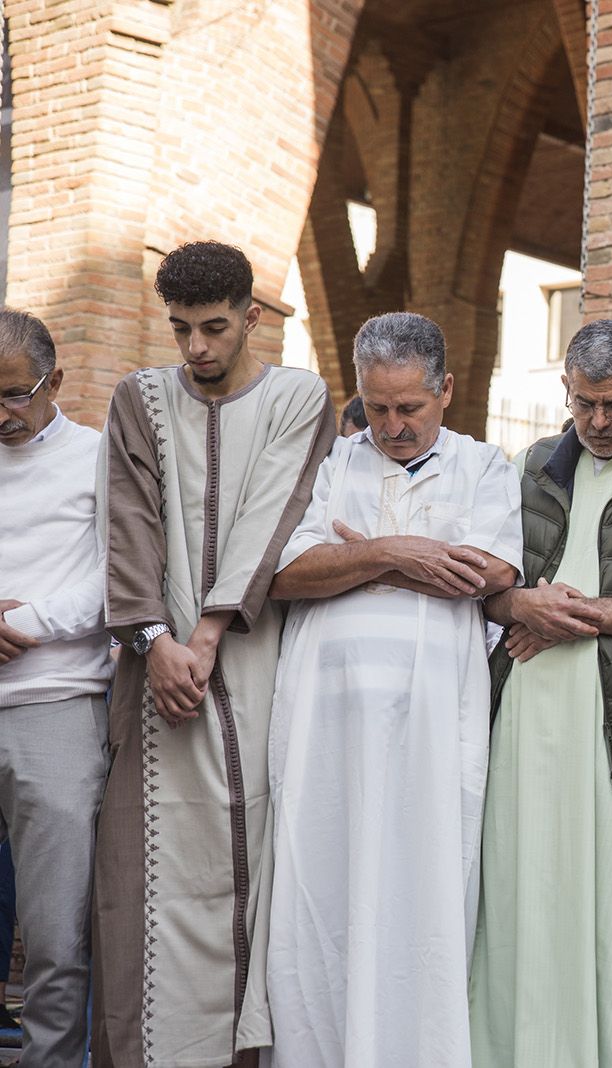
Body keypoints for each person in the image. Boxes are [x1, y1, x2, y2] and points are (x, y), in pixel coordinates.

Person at [94, 242, 334, 1068]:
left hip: (257, 671)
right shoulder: (139, 398)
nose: (196, 346)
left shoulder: (299, 397)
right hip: (152, 676)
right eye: (181, 329)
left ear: (252, 319)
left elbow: (276, 509)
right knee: (141, 886)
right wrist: (154, 641)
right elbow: (127, 525)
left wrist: (203, 638)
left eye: (214, 327)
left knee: (259, 863)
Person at [265, 311, 522, 1067]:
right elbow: (284, 575)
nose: (392, 426)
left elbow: (490, 570)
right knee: (322, 896)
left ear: (445, 389)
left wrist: (357, 559)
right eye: (377, 408)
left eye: (409, 408)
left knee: (423, 898)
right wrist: (402, 552)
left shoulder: (485, 466)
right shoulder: (329, 467)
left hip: (433, 735)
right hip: (324, 738)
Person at [467, 319, 612, 1067]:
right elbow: (486, 589)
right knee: (525, 900)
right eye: (584, 402)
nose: (598, 422)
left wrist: (571, 615)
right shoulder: (527, 467)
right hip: (525, 721)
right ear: (565, 391)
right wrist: (517, 605)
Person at [0, 309, 111, 1066]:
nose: (1, 413)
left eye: (14, 394)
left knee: (56, 934)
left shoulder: (100, 459)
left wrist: (32, 619)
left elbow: (126, 580)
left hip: (57, 709)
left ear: (55, 383)